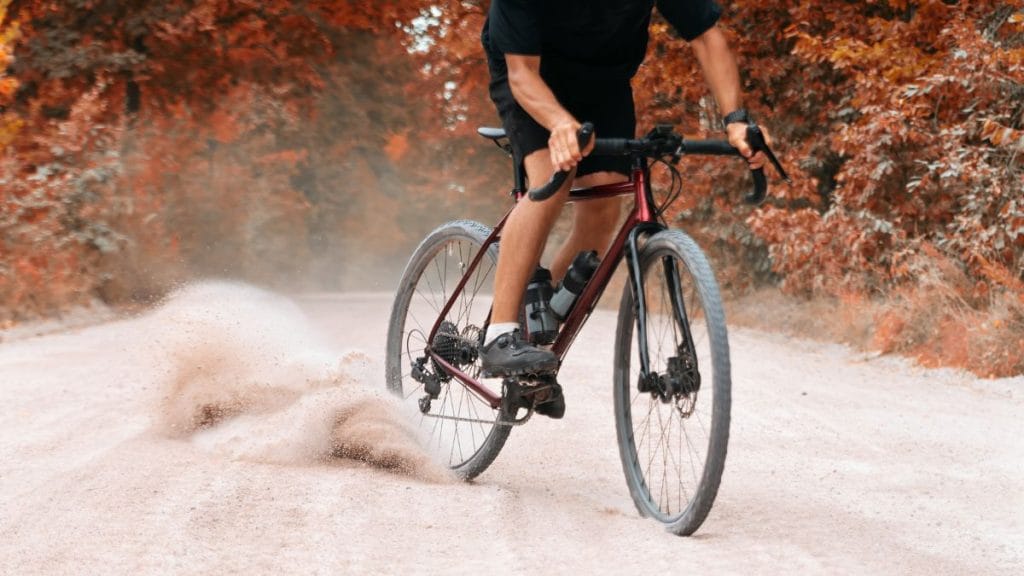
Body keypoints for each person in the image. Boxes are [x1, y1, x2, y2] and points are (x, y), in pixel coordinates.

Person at [478, 0, 769, 414]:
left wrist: (736, 119)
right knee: (551, 180)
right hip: (531, 73)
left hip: (605, 80)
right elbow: (522, 73)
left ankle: (538, 324)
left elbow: (706, 36)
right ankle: (500, 334)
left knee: (605, 201)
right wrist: (560, 124)